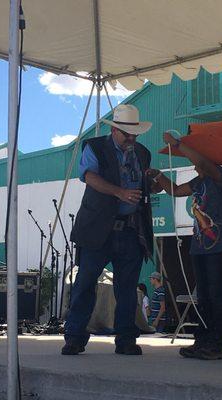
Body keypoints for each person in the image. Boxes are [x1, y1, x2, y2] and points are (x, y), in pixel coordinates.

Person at [62, 104, 159, 356]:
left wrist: (152, 183)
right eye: (127, 133)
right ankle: (74, 337)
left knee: (128, 289)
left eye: (134, 134)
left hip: (130, 230)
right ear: (114, 129)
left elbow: (142, 185)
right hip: (97, 229)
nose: (131, 138)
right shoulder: (94, 147)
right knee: (85, 283)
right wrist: (120, 192)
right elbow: (89, 177)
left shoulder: (142, 153)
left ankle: (126, 339)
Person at [147, 131, 222, 360]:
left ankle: (218, 344)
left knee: (215, 293)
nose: (193, 162)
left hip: (218, 245)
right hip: (199, 246)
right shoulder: (198, 182)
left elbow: (204, 162)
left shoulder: (220, 175)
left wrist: (178, 144)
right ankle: (203, 341)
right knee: (204, 296)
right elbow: (175, 191)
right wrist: (158, 176)